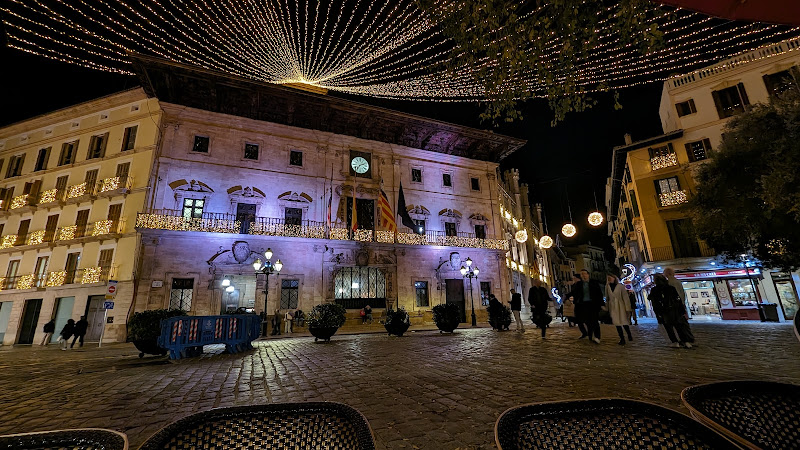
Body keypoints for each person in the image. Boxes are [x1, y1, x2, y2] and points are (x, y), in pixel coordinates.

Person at [649, 273, 695, 348]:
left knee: (669, 328)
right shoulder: (671, 288)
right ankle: (685, 341)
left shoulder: (654, 290)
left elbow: (655, 304)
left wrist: (658, 314)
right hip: (675, 311)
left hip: (664, 312)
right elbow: (678, 300)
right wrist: (682, 311)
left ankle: (675, 342)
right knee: (679, 327)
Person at [569, 269, 604, 344]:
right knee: (587, 321)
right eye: (581, 274)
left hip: (593, 304)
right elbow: (573, 293)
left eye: (584, 274)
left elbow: (599, 294)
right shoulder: (578, 284)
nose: (583, 275)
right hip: (583, 305)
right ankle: (590, 335)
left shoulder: (594, 283)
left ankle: (597, 336)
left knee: (594, 321)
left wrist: (601, 304)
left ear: (588, 275)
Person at [606, 272, 633, 346]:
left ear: (614, 278)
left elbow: (625, 297)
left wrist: (627, 308)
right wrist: (607, 307)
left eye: (610, 278)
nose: (609, 279)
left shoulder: (620, 286)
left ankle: (629, 334)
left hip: (621, 306)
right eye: (608, 278)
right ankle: (622, 338)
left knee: (624, 322)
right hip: (613, 307)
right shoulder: (607, 287)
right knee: (617, 324)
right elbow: (607, 298)